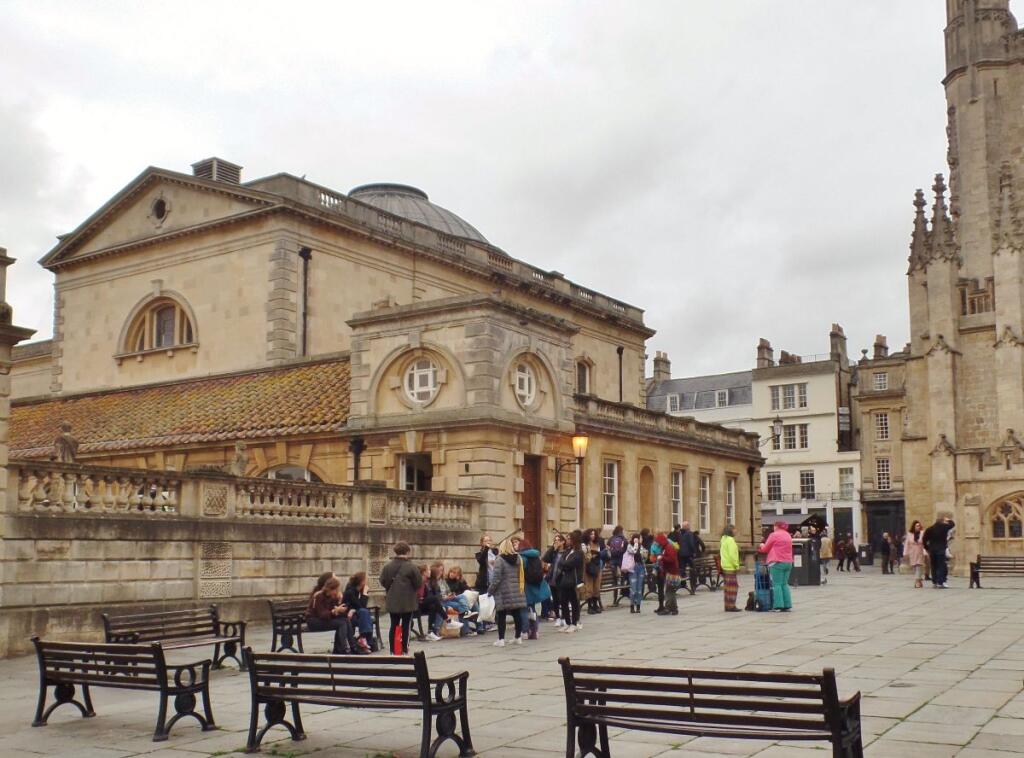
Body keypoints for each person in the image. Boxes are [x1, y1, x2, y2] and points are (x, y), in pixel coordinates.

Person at [379, 542, 422, 655]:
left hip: (392, 600)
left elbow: (382, 581)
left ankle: (393, 650)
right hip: (408, 601)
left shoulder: (387, 566)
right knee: (406, 625)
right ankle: (404, 649)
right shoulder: (411, 566)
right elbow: (418, 583)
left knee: (394, 624)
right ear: (407, 551)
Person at [306, 576, 363, 654]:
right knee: (341, 623)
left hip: (325, 619)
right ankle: (344, 649)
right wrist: (334, 611)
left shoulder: (333, 597)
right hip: (314, 621)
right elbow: (322, 615)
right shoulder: (319, 596)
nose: (337, 592)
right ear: (330, 589)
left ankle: (353, 647)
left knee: (345, 620)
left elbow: (339, 614)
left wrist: (341, 608)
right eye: (336, 589)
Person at [487, 537, 527, 646]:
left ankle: (501, 639)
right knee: (516, 614)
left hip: (503, 591)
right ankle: (518, 637)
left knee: (501, 615)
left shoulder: (499, 560)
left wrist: (490, 591)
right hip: (516, 589)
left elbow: (496, 579)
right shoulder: (518, 558)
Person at [518, 539, 550, 639]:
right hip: (535, 585)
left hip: (525, 586)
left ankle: (525, 631)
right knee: (532, 610)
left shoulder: (522, 558)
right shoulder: (536, 556)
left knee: (524, 609)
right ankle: (535, 631)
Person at [759, 521, 794, 612]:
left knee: (777, 584)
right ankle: (787, 604)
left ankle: (778, 605)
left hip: (777, 562)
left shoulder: (774, 535)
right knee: (784, 584)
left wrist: (762, 545)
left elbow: (765, 549)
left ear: (776, 526)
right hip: (788, 562)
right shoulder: (787, 535)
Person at [555, 530, 584, 633]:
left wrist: (564, 564)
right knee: (563, 602)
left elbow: (569, 564)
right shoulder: (567, 551)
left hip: (573, 580)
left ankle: (574, 623)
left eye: (569, 538)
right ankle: (567, 622)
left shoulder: (579, 553)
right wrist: (564, 564)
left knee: (574, 602)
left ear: (574, 540)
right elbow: (560, 562)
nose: (567, 540)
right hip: (564, 580)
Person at [341, 572, 375, 652]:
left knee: (365, 614)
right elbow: (360, 606)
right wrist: (365, 594)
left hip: (356, 615)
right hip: (347, 616)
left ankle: (363, 640)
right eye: (366, 580)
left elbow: (358, 607)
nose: (367, 581)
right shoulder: (351, 591)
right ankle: (366, 641)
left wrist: (354, 610)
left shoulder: (358, 591)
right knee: (365, 613)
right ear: (362, 582)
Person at [923, 514, 956, 588]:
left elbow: (924, 539)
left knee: (933, 565)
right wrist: (948, 519)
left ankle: (934, 581)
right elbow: (953, 524)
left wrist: (927, 548)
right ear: (942, 522)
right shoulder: (944, 527)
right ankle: (940, 582)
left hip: (932, 549)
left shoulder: (930, 529)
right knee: (941, 566)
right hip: (940, 549)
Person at [654, 533, 681, 616]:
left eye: (658, 542)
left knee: (669, 591)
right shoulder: (665, 547)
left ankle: (668, 608)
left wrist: (662, 557)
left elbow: (671, 559)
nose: (657, 543)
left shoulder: (668, 547)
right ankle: (674, 609)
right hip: (670, 572)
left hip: (672, 573)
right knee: (671, 591)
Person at [583, 528, 608, 615]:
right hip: (588, 568)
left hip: (597, 566)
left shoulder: (598, 543)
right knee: (589, 587)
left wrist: (600, 553)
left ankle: (595, 604)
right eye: (591, 534)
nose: (592, 536)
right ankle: (590, 606)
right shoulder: (585, 544)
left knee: (596, 587)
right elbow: (585, 556)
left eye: (594, 534)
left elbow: (602, 554)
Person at [543, 533, 566, 624]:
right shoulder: (554, 552)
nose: (556, 542)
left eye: (558, 540)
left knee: (562, 599)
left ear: (563, 542)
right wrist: (553, 548)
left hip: (562, 579)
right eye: (555, 540)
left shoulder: (566, 552)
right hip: (553, 579)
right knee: (555, 600)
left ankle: (564, 617)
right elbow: (545, 558)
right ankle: (558, 617)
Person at [621, 533, 646, 613]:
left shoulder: (641, 546)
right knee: (633, 589)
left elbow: (644, 558)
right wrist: (636, 544)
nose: (641, 539)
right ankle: (632, 606)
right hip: (633, 568)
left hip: (640, 568)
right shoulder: (629, 546)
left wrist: (645, 554)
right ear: (636, 539)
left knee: (639, 589)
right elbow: (633, 551)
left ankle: (638, 605)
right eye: (640, 538)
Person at [719, 524, 742, 612]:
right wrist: (736, 565)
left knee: (727, 588)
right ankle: (731, 605)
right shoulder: (731, 540)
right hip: (730, 567)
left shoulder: (723, 540)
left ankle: (727, 605)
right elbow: (733, 555)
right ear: (731, 530)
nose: (736, 531)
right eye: (735, 529)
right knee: (733, 587)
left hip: (725, 566)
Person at [903, 520, 927, 588]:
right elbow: (906, 544)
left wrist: (925, 552)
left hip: (920, 551)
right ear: (914, 526)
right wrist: (905, 553)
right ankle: (919, 580)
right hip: (912, 553)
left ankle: (917, 582)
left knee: (919, 566)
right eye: (917, 526)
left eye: (919, 525)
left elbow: (924, 544)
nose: (918, 527)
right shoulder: (910, 534)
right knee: (915, 567)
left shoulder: (922, 533)